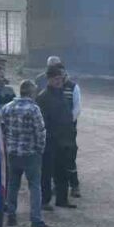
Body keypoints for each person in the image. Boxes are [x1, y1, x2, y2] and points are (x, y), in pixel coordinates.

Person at [0, 80, 51, 227]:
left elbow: (2, 130)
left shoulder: (7, 108)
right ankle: (36, 220)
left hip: (13, 153)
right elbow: (40, 132)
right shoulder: (33, 109)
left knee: (13, 185)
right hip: (30, 153)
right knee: (34, 186)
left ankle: (11, 216)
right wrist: (40, 149)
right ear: (31, 92)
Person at [34, 55, 82, 197]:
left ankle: (74, 185)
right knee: (53, 160)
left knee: (70, 157)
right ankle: (58, 187)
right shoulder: (42, 83)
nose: (58, 79)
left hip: (68, 130)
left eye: (60, 74)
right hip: (51, 131)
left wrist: (66, 123)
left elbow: (77, 108)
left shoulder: (73, 87)